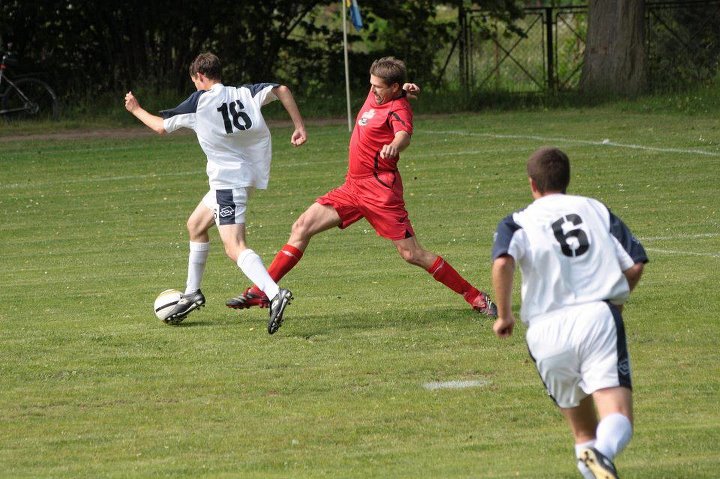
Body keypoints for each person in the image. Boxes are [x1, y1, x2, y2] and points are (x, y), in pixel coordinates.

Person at [226, 56, 497, 319]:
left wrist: (395, 144)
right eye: (371, 84)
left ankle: (474, 295)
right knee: (301, 227)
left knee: (411, 253)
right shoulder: (382, 92)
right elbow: (395, 87)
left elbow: (404, 134)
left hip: (381, 193)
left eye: (377, 87)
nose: (372, 91)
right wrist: (405, 86)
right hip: (352, 187)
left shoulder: (398, 108)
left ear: (391, 88)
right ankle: (263, 290)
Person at [490, 147, 648, 478]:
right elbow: (635, 263)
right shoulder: (593, 208)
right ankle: (601, 454)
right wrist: (616, 300)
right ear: (567, 178)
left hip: (545, 330)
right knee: (616, 415)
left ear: (532, 183)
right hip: (596, 318)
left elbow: (503, 260)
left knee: (582, 431)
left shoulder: (517, 221)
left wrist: (504, 315)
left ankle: (593, 457)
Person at [124, 52, 307, 334]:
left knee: (234, 247)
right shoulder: (245, 93)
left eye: (194, 81)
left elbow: (161, 127)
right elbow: (282, 89)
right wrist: (299, 126)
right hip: (238, 179)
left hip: (228, 183)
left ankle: (274, 294)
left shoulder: (200, 100)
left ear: (199, 76)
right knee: (196, 225)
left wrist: (136, 109)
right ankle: (192, 293)